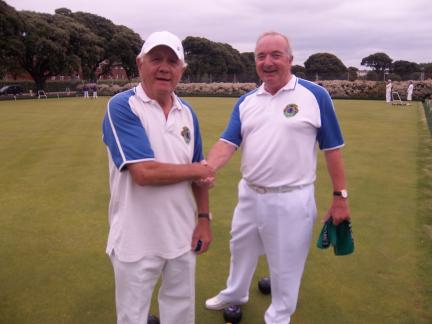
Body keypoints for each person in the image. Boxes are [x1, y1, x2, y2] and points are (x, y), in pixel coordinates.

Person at [203, 31, 350, 324]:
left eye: (275, 55)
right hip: (249, 193)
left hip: (292, 198)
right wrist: (206, 168)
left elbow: (332, 149)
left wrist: (340, 198)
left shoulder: (314, 95)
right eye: (261, 56)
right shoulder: (246, 101)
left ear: (290, 60)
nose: (267, 62)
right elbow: (228, 142)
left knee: (286, 265)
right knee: (240, 248)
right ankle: (235, 293)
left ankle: (279, 316)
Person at [102, 31, 214, 324]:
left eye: (172, 61)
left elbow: (198, 174)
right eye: (156, 59)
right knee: (132, 317)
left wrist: (204, 219)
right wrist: (199, 170)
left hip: (182, 234)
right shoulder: (122, 106)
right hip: (135, 239)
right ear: (140, 63)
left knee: (180, 313)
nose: (164, 67)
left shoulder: (187, 112)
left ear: (182, 69)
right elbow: (144, 173)